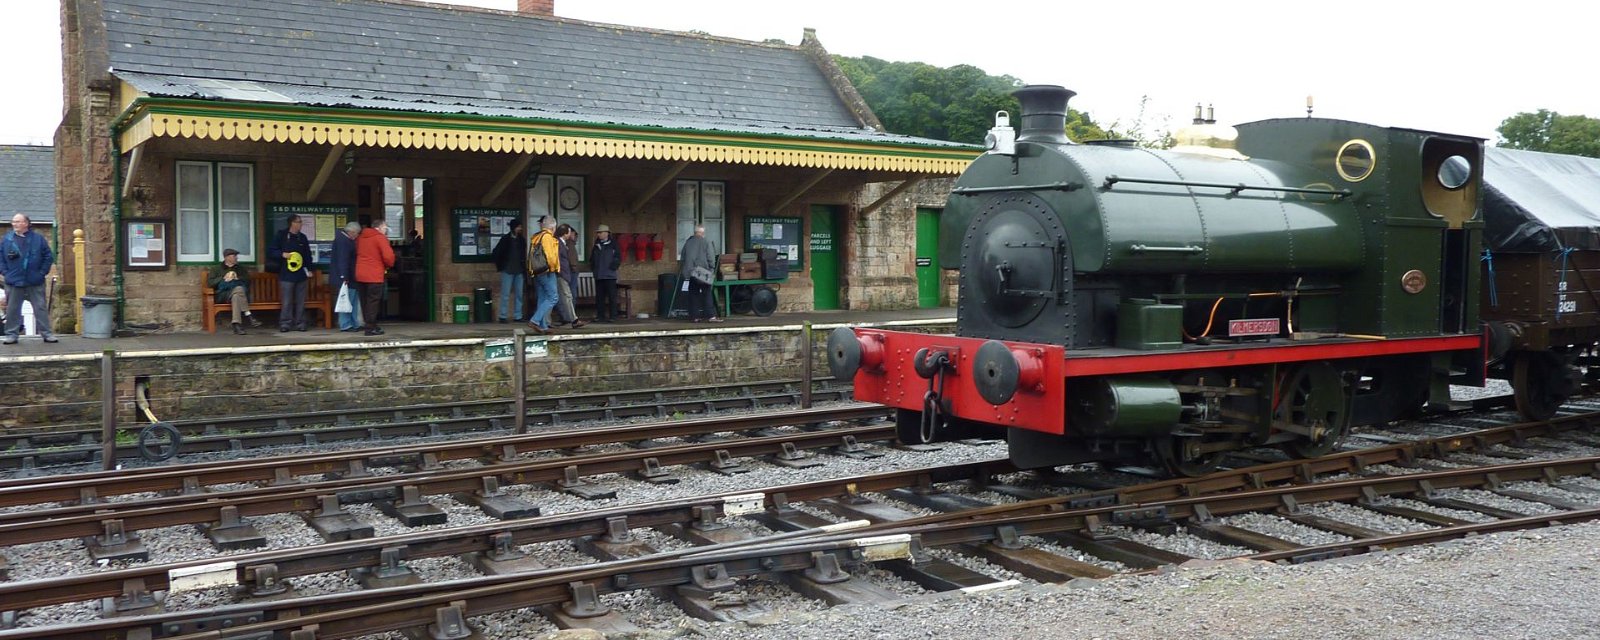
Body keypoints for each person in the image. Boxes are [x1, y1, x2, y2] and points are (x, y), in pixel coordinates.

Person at [0, 213, 58, 344]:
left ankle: (47, 334)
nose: (14, 224)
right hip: (13, 281)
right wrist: (5, 273)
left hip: (35, 281)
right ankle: (11, 335)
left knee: (40, 308)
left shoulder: (38, 239)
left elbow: (48, 257)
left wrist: (41, 273)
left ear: (26, 223)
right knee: (12, 309)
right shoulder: (7, 239)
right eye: (13, 222)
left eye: (17, 221)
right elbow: (0, 258)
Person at [270, 214, 314, 332]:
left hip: (301, 274)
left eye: (301, 222)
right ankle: (285, 323)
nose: (301, 224)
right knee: (287, 301)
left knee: (301, 301)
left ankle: (300, 323)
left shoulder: (302, 237)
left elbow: (307, 255)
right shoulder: (281, 235)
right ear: (292, 223)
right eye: (299, 222)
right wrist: (282, 254)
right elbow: (271, 251)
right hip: (286, 274)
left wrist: (309, 269)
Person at [206, 248, 264, 335]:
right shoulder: (216, 269)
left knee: (236, 295)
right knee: (239, 290)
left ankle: (237, 325)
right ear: (227, 257)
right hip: (223, 295)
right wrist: (223, 278)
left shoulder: (240, 268)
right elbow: (210, 283)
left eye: (236, 256)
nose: (236, 258)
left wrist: (237, 278)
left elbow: (247, 281)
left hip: (238, 295)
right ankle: (249, 315)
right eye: (234, 256)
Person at [355, 219, 396, 336]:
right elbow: (388, 256)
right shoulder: (380, 238)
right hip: (374, 274)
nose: (386, 230)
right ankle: (370, 327)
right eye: (385, 228)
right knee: (373, 301)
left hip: (360, 273)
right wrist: (389, 265)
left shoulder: (360, 238)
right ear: (379, 228)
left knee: (364, 301)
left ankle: (370, 324)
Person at [525, 217, 560, 335]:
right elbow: (550, 256)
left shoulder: (536, 236)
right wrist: (554, 268)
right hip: (547, 271)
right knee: (553, 297)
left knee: (542, 298)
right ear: (553, 227)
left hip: (537, 271)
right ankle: (535, 320)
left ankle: (543, 326)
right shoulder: (547, 237)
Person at [679, 225, 721, 323]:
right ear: (702, 233)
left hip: (691, 272)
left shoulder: (688, 243)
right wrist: (712, 268)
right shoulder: (706, 242)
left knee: (693, 294)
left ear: (695, 232)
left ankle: (694, 317)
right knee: (707, 293)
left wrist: (687, 270)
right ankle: (710, 316)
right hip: (703, 272)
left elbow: (683, 258)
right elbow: (711, 257)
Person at [491, 219, 526, 324]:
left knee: (519, 294)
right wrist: (501, 265)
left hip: (519, 270)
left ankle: (518, 316)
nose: (520, 229)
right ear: (513, 227)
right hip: (507, 269)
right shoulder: (505, 239)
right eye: (518, 227)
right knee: (505, 294)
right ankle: (503, 315)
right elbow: (497, 252)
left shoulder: (521, 240)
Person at [330, 221, 363, 332]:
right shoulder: (344, 241)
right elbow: (343, 260)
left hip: (350, 276)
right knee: (346, 301)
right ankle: (346, 324)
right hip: (347, 277)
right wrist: (344, 277)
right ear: (352, 232)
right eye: (357, 233)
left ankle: (354, 323)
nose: (357, 236)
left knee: (352, 301)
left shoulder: (343, 239)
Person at [554, 224, 587, 329]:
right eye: (569, 232)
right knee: (566, 296)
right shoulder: (559, 243)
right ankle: (572, 319)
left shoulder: (563, 243)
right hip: (562, 273)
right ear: (565, 233)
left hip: (563, 273)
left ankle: (572, 319)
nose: (570, 234)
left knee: (559, 297)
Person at [590, 224, 621, 323]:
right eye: (598, 233)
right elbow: (592, 259)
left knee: (612, 297)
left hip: (610, 276)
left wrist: (612, 267)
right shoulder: (596, 245)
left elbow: (618, 257)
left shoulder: (613, 244)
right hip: (599, 275)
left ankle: (613, 316)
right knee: (599, 298)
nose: (598, 234)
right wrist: (594, 269)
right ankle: (600, 316)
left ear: (607, 233)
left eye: (600, 232)